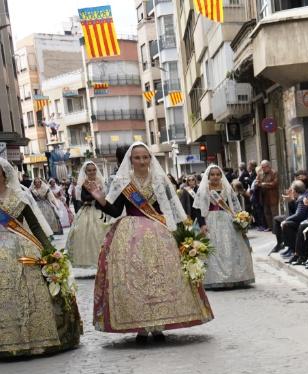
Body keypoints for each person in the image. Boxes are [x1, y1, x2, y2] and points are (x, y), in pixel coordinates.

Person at [88, 142, 214, 343]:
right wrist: (101, 199)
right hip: (130, 235)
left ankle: (159, 325)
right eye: (137, 158)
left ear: (150, 158)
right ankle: (141, 327)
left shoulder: (159, 179)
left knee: (160, 278)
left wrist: (183, 235)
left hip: (159, 231)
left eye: (145, 157)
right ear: (131, 160)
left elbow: (170, 208)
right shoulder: (123, 181)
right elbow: (114, 210)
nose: (142, 161)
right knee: (136, 278)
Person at [0, 158, 82, 358]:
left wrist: (49, 251)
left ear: (4, 173)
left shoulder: (20, 196)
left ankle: (39, 337)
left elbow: (35, 226)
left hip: (22, 248)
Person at [195, 164, 255, 289]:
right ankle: (215, 278)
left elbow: (234, 205)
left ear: (221, 176)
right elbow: (197, 209)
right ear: (208, 176)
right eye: (213, 174)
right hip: (209, 220)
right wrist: (202, 224)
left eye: (218, 174)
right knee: (213, 249)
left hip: (227, 220)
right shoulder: (203, 189)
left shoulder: (227, 188)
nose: (215, 177)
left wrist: (240, 219)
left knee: (232, 247)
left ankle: (236, 277)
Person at [66, 161, 110, 272]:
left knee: (102, 234)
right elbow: (84, 198)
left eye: (94, 170)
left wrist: (99, 195)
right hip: (88, 210)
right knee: (87, 235)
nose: (92, 172)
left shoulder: (101, 181)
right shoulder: (84, 183)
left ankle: (103, 261)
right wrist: (96, 194)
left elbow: (106, 197)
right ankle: (92, 261)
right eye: (89, 170)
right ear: (86, 172)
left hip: (100, 211)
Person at [256, 160, 279, 235]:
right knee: (266, 212)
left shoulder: (274, 172)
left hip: (272, 196)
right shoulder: (260, 173)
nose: (262, 169)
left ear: (268, 166)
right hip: (264, 195)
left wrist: (264, 184)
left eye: (264, 167)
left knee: (274, 212)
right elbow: (257, 181)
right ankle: (270, 227)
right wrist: (257, 183)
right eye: (262, 167)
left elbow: (275, 183)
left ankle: (276, 228)